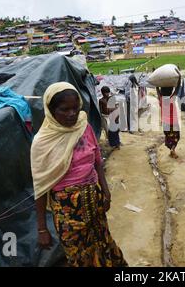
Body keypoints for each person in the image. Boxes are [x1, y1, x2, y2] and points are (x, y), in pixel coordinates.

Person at [31, 82, 127, 267]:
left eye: (76, 108)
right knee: (79, 255)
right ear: (50, 111)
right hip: (68, 210)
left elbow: (97, 161)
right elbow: (40, 186)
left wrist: (105, 192)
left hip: (94, 201)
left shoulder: (84, 127)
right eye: (64, 109)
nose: (72, 114)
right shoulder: (43, 142)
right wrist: (42, 228)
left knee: (103, 243)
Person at [156, 80, 181, 159]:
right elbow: (177, 89)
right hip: (173, 122)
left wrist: (157, 85)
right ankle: (173, 150)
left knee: (169, 137)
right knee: (176, 136)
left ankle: (171, 151)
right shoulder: (171, 99)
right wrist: (179, 79)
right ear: (170, 91)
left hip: (165, 123)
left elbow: (158, 92)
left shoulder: (161, 99)